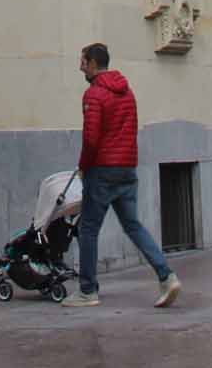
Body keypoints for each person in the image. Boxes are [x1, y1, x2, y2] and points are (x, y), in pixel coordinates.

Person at [74, 42, 180, 309]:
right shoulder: (126, 91)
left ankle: (87, 290)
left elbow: (91, 139)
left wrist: (83, 166)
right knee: (133, 226)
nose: (80, 66)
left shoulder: (94, 95)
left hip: (102, 170)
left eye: (83, 62)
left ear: (94, 64)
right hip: (126, 168)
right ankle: (167, 276)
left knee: (88, 228)